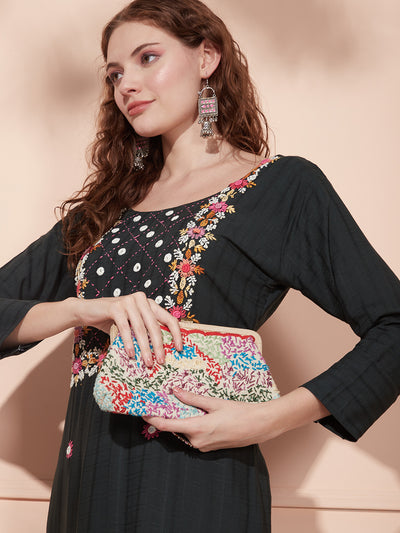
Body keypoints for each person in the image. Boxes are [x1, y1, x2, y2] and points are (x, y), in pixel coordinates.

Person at [1, 0, 399, 531]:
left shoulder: (281, 189)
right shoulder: (104, 212)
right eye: (115, 74)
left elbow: (393, 325)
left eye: (148, 58)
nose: (126, 85)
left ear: (206, 57)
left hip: (196, 484)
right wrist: (81, 309)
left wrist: (268, 418)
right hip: (87, 484)